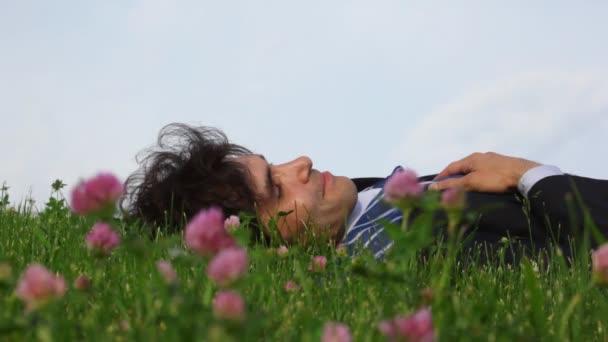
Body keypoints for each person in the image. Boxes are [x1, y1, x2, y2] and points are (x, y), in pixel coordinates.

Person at [122, 123, 608, 261]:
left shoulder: (379, 201)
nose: (303, 163)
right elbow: (586, 260)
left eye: (275, 165)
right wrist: (532, 175)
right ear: (271, 246)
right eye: (275, 186)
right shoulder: (414, 254)